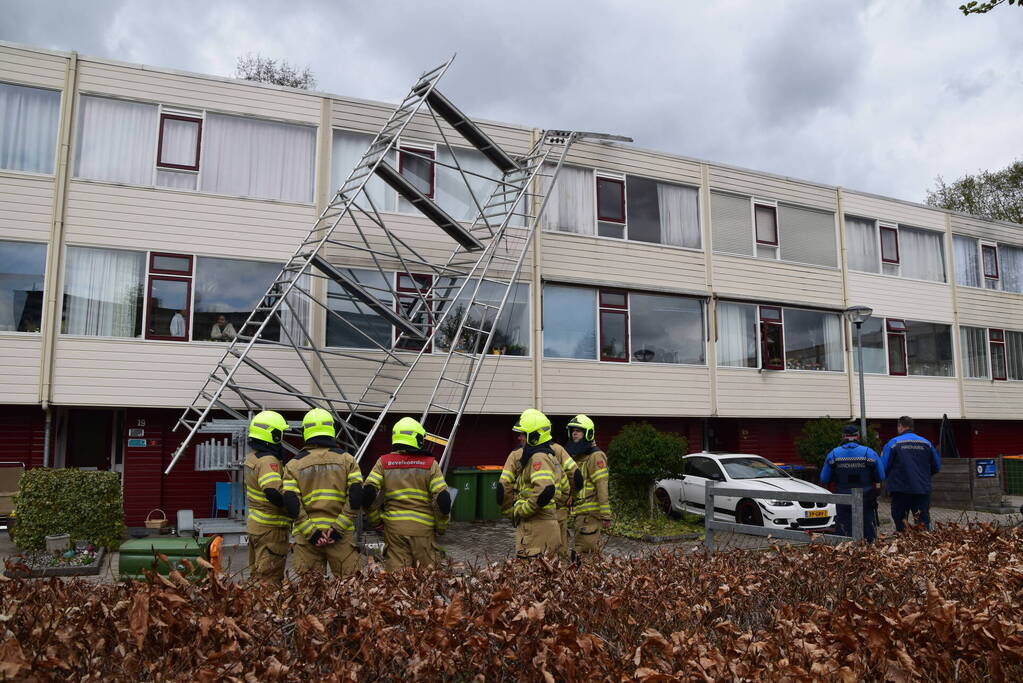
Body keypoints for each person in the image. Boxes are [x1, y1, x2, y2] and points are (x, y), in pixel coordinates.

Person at [282, 407, 364, 578]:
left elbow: (291, 502)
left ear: (306, 432)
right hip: (341, 537)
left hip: (307, 539)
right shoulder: (347, 459)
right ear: (331, 429)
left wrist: (312, 533)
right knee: (350, 587)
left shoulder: (293, 464)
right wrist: (338, 528)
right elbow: (356, 496)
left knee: (310, 590)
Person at [363, 417, 451, 570]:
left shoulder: (383, 462)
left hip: (394, 531)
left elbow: (368, 495)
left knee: (398, 579)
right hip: (423, 531)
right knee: (426, 579)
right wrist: (441, 527)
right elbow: (443, 501)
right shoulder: (430, 464)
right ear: (417, 438)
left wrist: (376, 521)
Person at [498, 409, 580, 559]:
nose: (519, 437)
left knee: (529, 569)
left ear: (534, 436)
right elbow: (565, 488)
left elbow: (544, 490)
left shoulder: (538, 458)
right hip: (549, 524)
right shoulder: (550, 456)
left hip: (535, 528)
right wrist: (553, 508)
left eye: (523, 434)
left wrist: (521, 511)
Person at [242, 410, 292, 584]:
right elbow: (272, 491)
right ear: (274, 434)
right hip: (272, 529)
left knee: (256, 576)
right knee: (269, 580)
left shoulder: (252, 458)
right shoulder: (268, 461)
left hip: (256, 526)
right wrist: (293, 509)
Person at [820, 424, 884, 541]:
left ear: (843, 436)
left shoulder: (833, 454)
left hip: (842, 498)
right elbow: (881, 476)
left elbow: (824, 478)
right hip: (866, 498)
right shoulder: (869, 453)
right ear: (858, 436)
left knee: (843, 532)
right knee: (868, 532)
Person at [881, 416, 941, 532]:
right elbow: (937, 466)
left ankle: (904, 541)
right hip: (921, 490)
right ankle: (923, 542)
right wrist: (924, 476)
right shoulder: (926, 443)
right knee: (923, 525)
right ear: (912, 427)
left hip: (900, 490)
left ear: (900, 426)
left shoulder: (893, 443)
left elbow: (883, 467)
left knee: (901, 524)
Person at [565, 415, 612, 558]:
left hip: (590, 515)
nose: (574, 433)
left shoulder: (595, 456)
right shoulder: (579, 456)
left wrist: (605, 515)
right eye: (573, 431)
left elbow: (602, 485)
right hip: (580, 514)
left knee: (585, 554)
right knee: (580, 552)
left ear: (588, 433)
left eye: (578, 431)